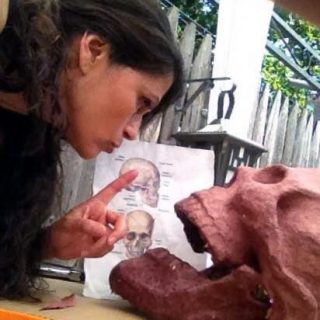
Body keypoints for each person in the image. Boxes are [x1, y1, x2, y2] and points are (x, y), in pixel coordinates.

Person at [0, 0, 183, 298]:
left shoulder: (22, 139)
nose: (133, 131)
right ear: (94, 51)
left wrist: (47, 245)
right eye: (142, 103)